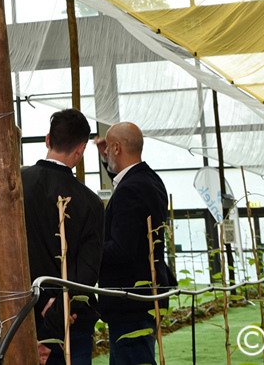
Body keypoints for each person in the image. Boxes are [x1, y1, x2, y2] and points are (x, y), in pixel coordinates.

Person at [21, 109, 103, 365]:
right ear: (80, 150)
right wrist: (56, 316)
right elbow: (86, 276)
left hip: (20, 317)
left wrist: (39, 303)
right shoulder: (90, 202)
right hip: (70, 324)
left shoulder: (15, 186)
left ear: (47, 140)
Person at [95, 122, 178, 365]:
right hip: (144, 296)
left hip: (129, 300)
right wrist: (106, 161)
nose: (106, 152)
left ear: (117, 148)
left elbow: (122, 248)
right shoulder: (149, 180)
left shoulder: (131, 189)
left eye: (109, 148)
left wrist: (87, 249)